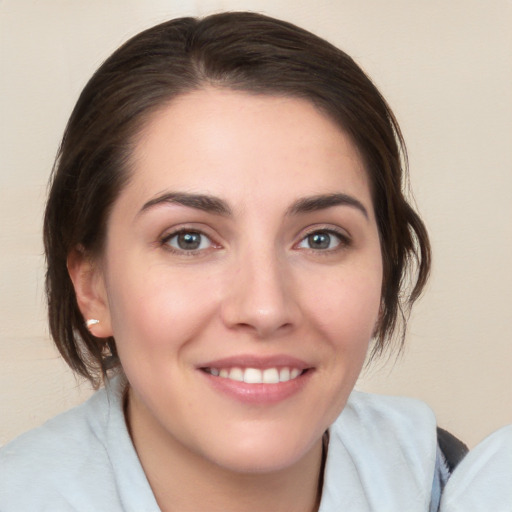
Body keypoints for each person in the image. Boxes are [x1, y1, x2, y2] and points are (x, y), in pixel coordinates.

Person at [0, 11, 450, 511]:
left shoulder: (452, 481)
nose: (264, 308)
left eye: (321, 239)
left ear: (385, 280)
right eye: (188, 239)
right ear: (93, 286)